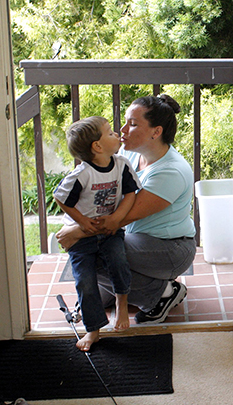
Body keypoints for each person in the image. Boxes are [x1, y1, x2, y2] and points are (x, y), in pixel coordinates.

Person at [57, 94, 197, 325]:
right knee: (92, 255)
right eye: (124, 122)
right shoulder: (130, 156)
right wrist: (76, 220)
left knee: (91, 250)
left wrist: (77, 232)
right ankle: (111, 290)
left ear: (156, 132)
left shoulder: (171, 172)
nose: (122, 129)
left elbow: (117, 220)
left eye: (132, 124)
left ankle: (163, 293)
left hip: (171, 250)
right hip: (135, 239)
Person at [53, 116, 142, 351]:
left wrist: (116, 218)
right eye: (110, 131)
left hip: (111, 232)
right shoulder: (82, 174)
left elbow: (131, 194)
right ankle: (93, 330)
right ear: (97, 146)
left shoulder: (122, 165)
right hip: (82, 240)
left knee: (119, 263)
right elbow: (61, 198)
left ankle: (121, 304)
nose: (116, 134)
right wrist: (81, 222)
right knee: (85, 282)